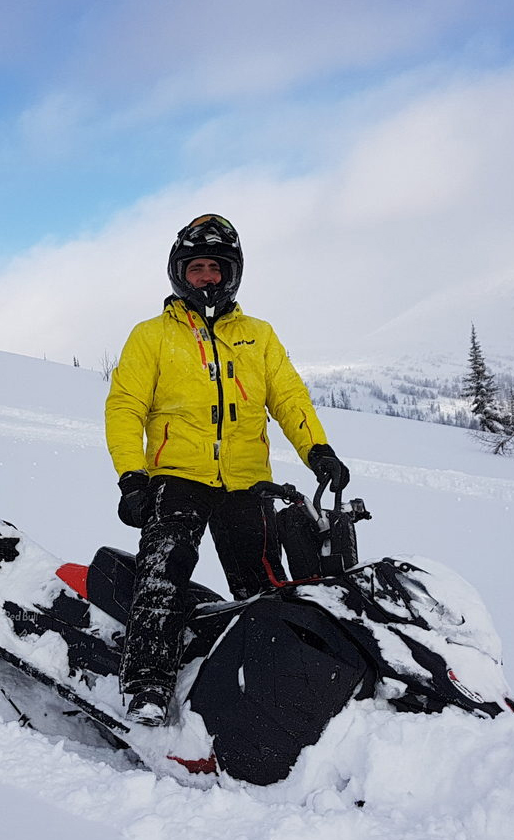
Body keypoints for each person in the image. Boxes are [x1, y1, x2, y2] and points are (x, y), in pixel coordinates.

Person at [104, 213, 351, 725]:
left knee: (264, 591)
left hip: (245, 482)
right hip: (176, 478)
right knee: (162, 576)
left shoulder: (258, 336)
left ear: (232, 273)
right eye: (197, 268)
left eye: (215, 268)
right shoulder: (151, 336)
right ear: (180, 273)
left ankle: (277, 687)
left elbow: (288, 398)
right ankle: (147, 684)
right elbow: (125, 405)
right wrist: (132, 476)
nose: (207, 278)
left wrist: (317, 451)